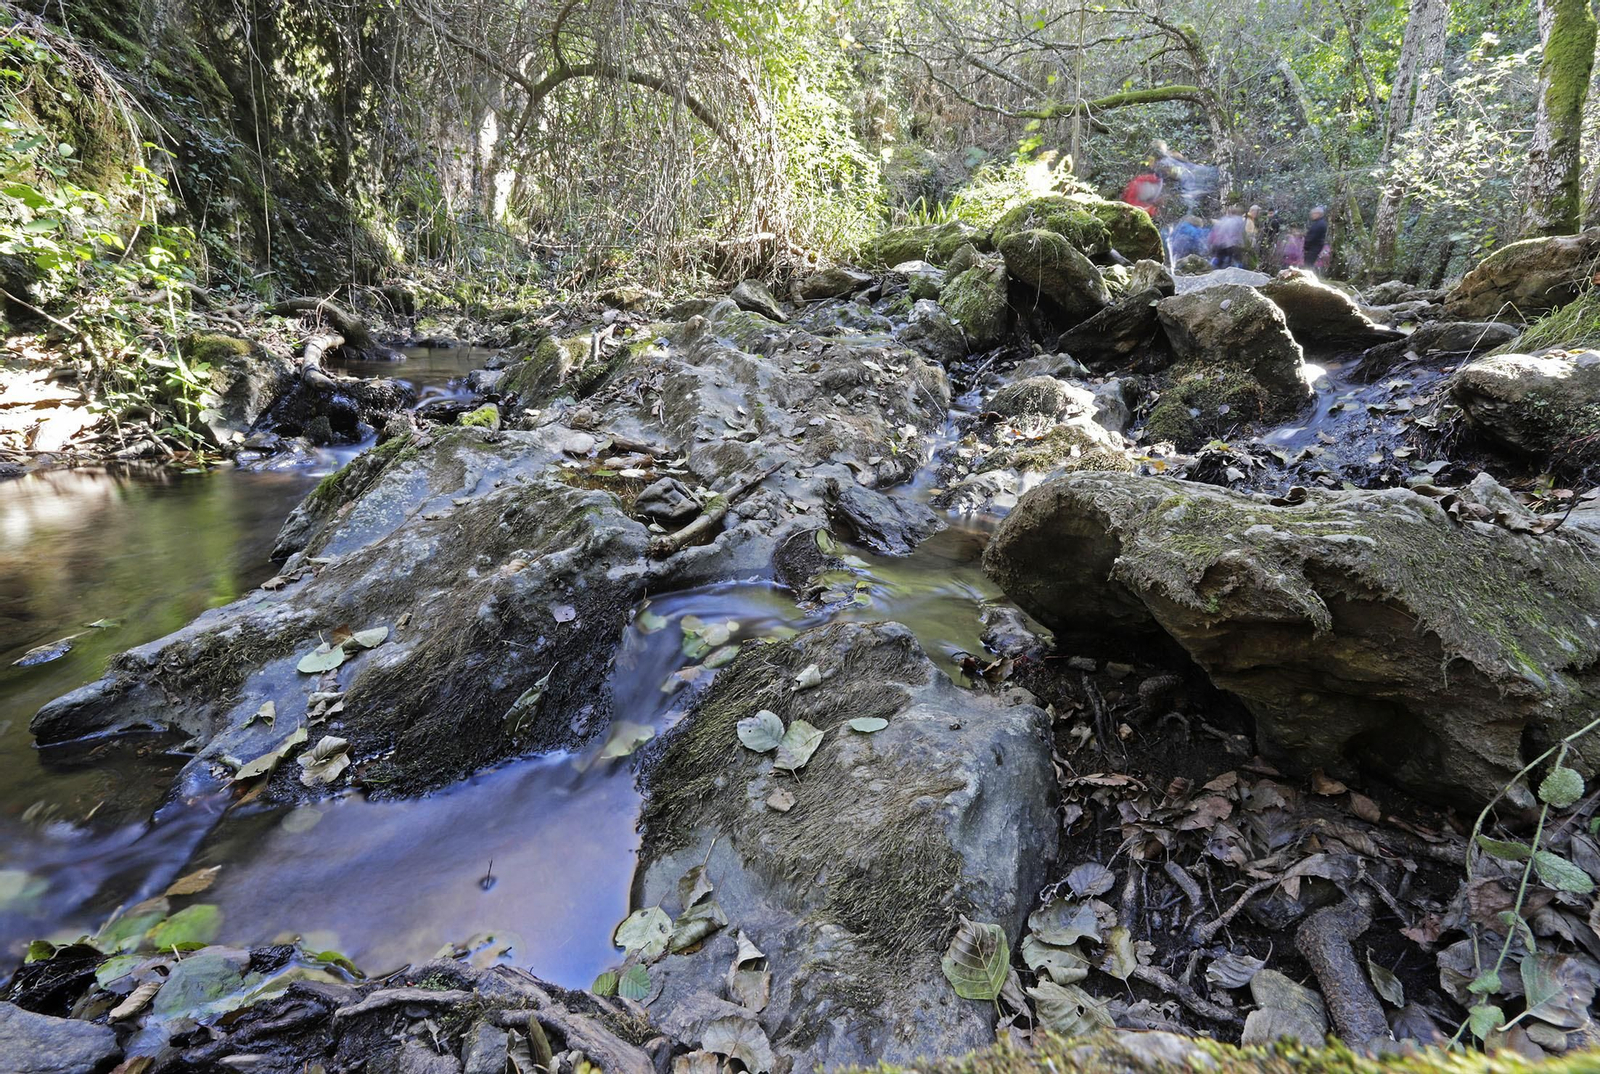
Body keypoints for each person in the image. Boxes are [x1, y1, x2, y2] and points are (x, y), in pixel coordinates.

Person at [1304, 206, 1328, 274]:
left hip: (1313, 248)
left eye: (1313, 214)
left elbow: (1312, 237)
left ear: (1318, 214)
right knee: (1308, 265)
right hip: (1314, 247)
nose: (1312, 215)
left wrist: (1306, 247)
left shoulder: (1320, 224)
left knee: (1308, 265)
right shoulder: (1318, 223)